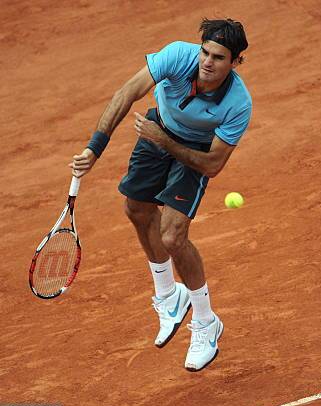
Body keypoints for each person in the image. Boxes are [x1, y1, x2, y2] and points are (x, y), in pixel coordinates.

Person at [69, 18, 252, 371]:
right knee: (136, 210)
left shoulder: (238, 103)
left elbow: (213, 164)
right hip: (159, 131)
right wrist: (95, 148)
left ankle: (205, 322)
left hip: (194, 152)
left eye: (218, 57)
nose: (207, 62)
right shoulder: (177, 56)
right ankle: (169, 297)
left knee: (172, 235)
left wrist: (164, 140)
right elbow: (127, 92)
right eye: (205, 52)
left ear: (235, 62)